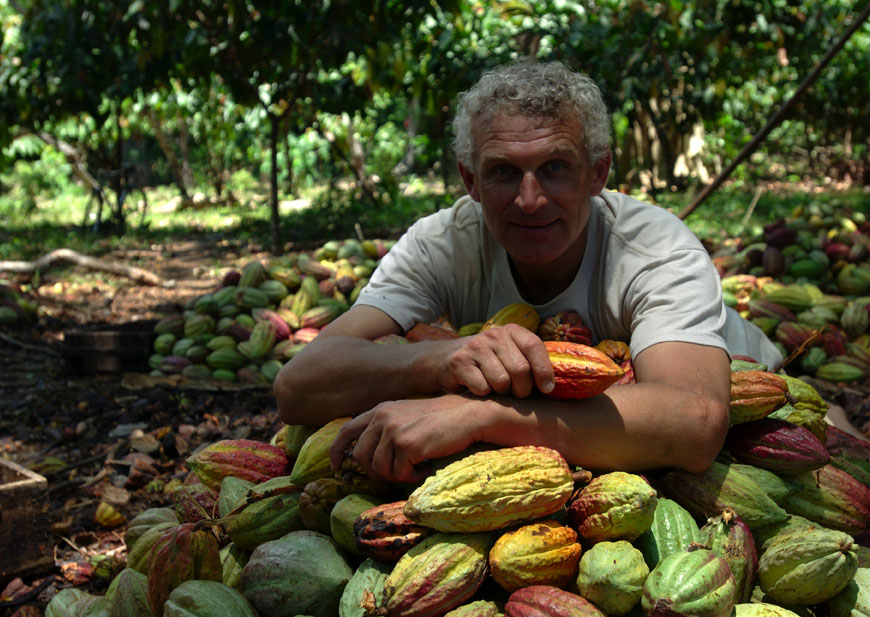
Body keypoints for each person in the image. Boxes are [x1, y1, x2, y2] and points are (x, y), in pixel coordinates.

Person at [274, 60, 781, 483]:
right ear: (471, 180)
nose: (531, 199)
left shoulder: (653, 247)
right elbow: (298, 385)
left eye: (556, 167)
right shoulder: (443, 242)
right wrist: (438, 360)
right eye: (504, 171)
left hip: (753, 390)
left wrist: (481, 416)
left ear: (598, 173)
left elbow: (697, 422)